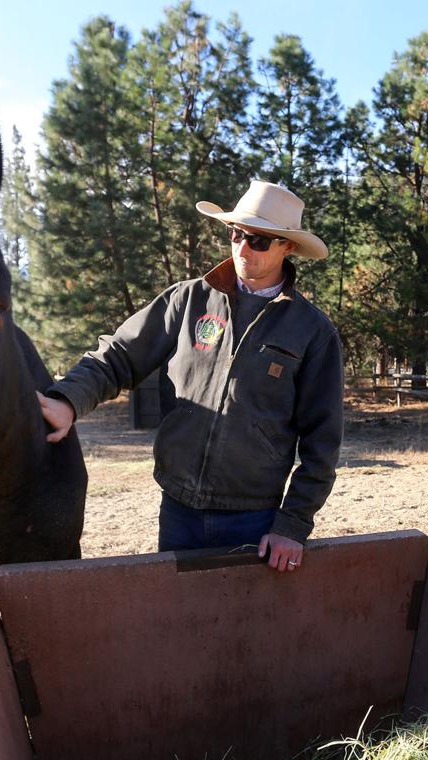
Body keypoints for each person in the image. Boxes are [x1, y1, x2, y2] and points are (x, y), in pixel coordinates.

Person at [38, 180, 343, 573]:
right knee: (177, 611)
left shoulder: (313, 331)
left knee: (241, 614)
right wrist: (67, 401)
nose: (242, 248)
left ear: (288, 247)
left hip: (254, 519)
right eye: (236, 234)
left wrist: (293, 525)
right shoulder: (187, 300)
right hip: (177, 510)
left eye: (259, 240)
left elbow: (322, 442)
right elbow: (117, 356)